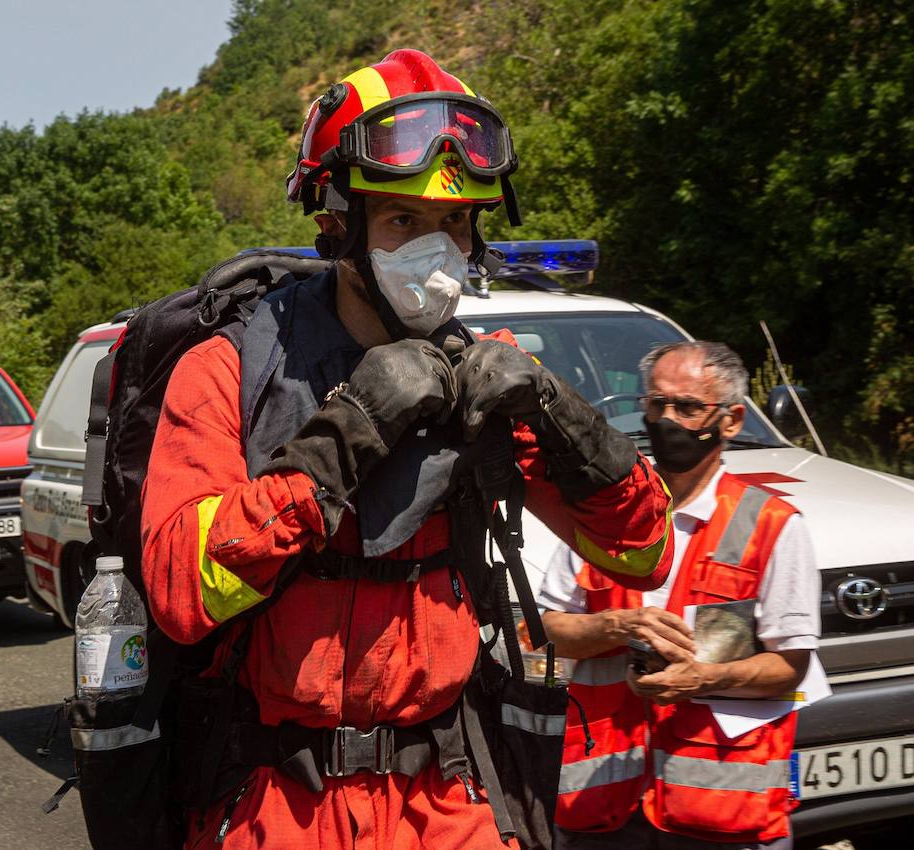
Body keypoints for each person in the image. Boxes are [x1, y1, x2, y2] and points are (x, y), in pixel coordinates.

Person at [140, 49, 675, 850]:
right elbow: (183, 592)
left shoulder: (488, 376)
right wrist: (346, 436)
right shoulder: (233, 370)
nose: (439, 248)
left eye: (455, 221)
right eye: (404, 221)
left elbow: (641, 554)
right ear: (336, 224)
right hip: (278, 797)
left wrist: (560, 411)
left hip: (447, 796)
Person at [540, 340, 821, 850]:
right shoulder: (603, 516)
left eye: (688, 408)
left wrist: (703, 679)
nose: (668, 420)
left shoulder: (774, 525)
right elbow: (548, 631)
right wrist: (617, 627)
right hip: (603, 806)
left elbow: (791, 666)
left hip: (721, 810)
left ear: (731, 420)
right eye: (656, 405)